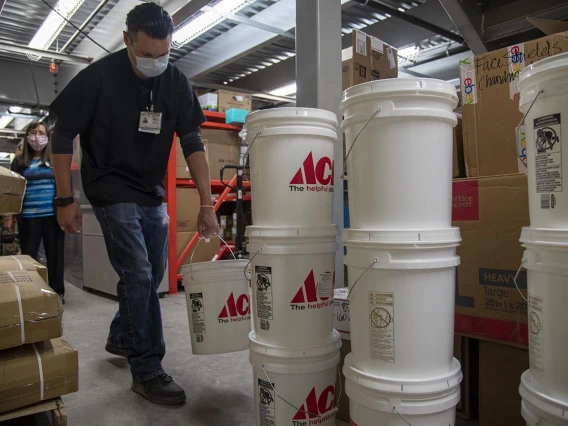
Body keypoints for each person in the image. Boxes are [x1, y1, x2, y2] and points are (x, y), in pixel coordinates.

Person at [49, 3, 218, 405]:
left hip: (149, 191)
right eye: (147, 54)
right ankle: (147, 369)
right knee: (140, 274)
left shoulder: (175, 83)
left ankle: (122, 334)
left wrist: (208, 204)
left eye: (164, 54)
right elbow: (62, 134)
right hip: (109, 187)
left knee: (153, 272)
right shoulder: (98, 78)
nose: (156, 62)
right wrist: (64, 198)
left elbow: (192, 142)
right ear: (127, 41)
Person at [10, 121, 65, 302]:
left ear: (47, 138)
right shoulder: (19, 163)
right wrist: (10, 216)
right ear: (27, 137)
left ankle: (57, 292)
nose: (37, 137)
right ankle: (30, 292)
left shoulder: (54, 160)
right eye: (33, 132)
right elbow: (14, 190)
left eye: (42, 133)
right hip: (29, 217)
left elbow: (63, 185)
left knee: (55, 256)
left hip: (52, 216)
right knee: (29, 256)